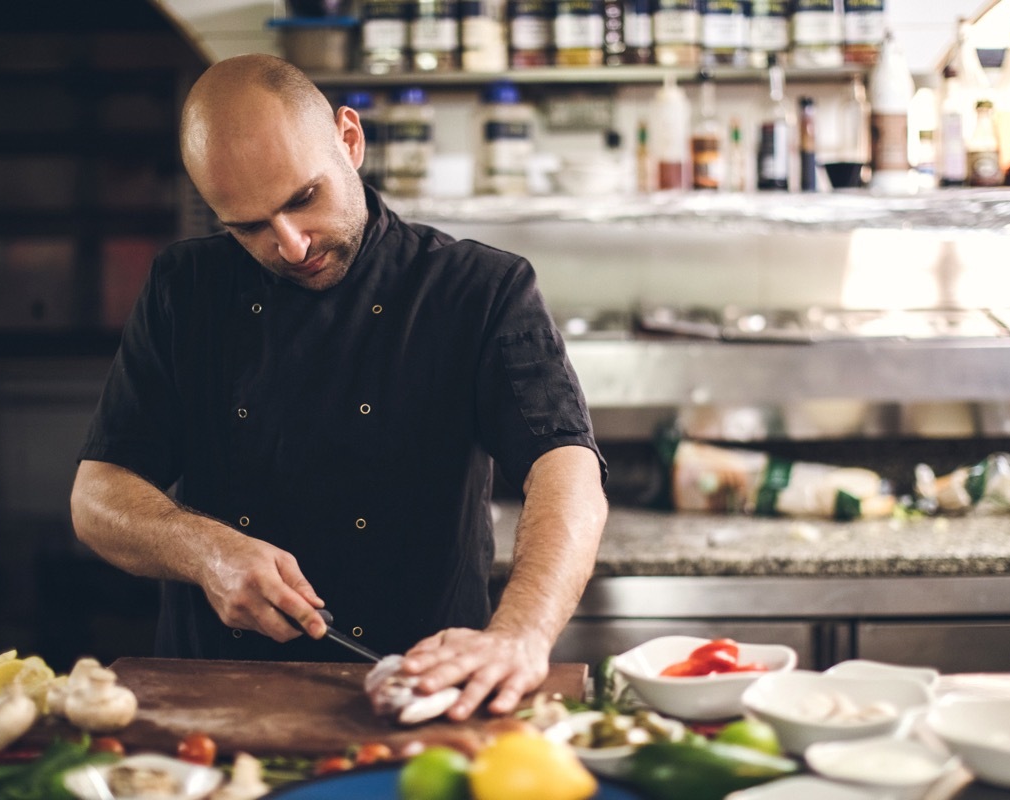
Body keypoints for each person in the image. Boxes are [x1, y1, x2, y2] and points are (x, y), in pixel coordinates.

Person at [69, 53, 608, 721]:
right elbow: (96, 496)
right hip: (215, 697)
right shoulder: (186, 289)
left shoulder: (479, 290)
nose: (291, 244)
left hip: (433, 688)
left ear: (350, 140)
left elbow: (567, 468)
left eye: (302, 200)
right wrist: (205, 550)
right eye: (249, 227)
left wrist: (521, 636)